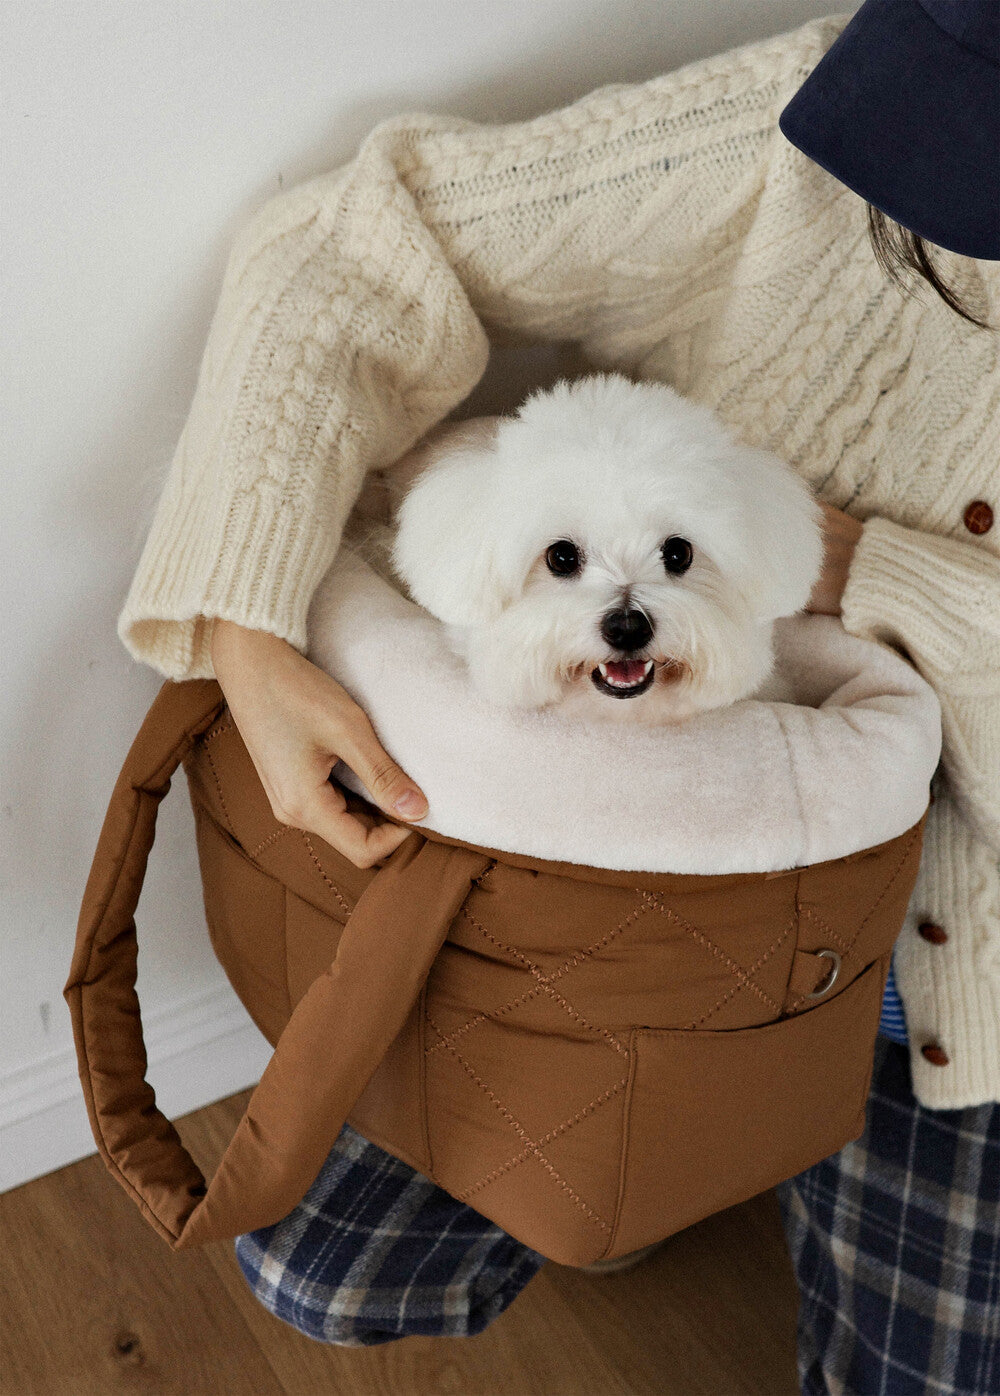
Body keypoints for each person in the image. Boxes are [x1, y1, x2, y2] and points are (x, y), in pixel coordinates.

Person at [117, 0, 999, 1388]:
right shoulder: (821, 124)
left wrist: (888, 576)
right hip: (616, 899)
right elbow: (350, 241)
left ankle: (729, 1149)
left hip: (962, 987)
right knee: (319, 1268)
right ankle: (680, 1159)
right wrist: (248, 627)